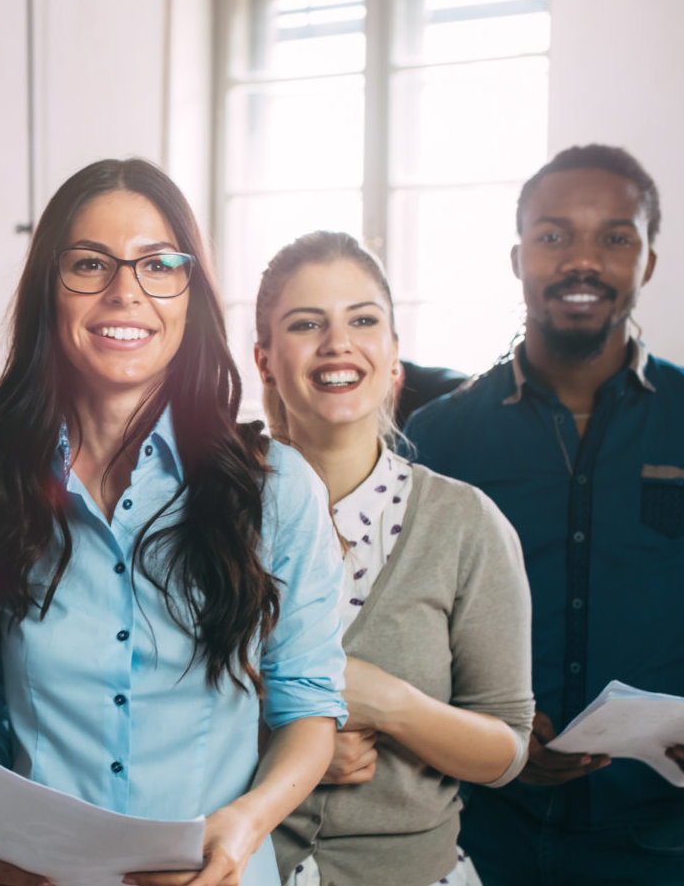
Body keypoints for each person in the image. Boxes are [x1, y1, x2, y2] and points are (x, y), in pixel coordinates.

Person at [0, 158, 345, 886]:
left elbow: (308, 706)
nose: (126, 292)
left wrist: (244, 823)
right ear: (48, 291)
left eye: (159, 264)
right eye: (90, 264)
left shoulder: (276, 490)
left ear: (191, 293)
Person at [404, 145, 684, 886]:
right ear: (518, 256)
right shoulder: (439, 437)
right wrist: (491, 731)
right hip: (473, 827)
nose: (583, 260)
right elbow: (406, 629)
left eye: (616, 237)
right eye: (555, 235)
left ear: (646, 261)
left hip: (656, 835)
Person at [250, 231, 534, 886]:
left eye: (363, 319)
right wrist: (287, 750)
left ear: (394, 354)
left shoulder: (466, 524)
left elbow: (508, 748)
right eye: (306, 323)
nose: (337, 343)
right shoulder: (206, 519)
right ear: (265, 360)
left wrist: (393, 703)